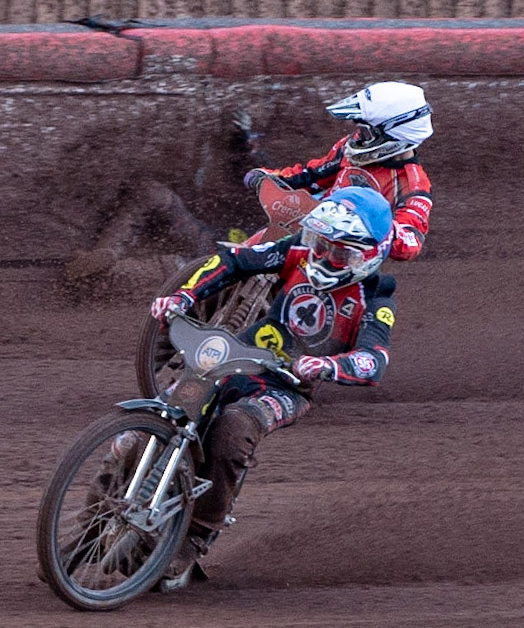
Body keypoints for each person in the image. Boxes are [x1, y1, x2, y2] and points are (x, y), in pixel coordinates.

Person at [148, 186, 398, 590]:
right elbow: (235, 260)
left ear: (367, 255)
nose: (322, 256)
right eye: (320, 243)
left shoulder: (376, 298)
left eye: (339, 252)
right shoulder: (297, 250)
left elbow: (374, 360)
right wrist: (183, 295)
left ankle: (194, 538)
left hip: (288, 385)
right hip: (236, 355)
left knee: (232, 431)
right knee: (157, 413)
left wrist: (328, 365)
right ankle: (95, 512)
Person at [241, 81, 433, 261]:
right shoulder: (350, 149)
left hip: (344, 259)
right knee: (240, 256)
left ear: (396, 136)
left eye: (366, 132)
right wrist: (268, 177)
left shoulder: (413, 184)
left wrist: (369, 227)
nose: (358, 137)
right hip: (304, 229)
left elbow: (411, 240)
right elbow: (312, 175)